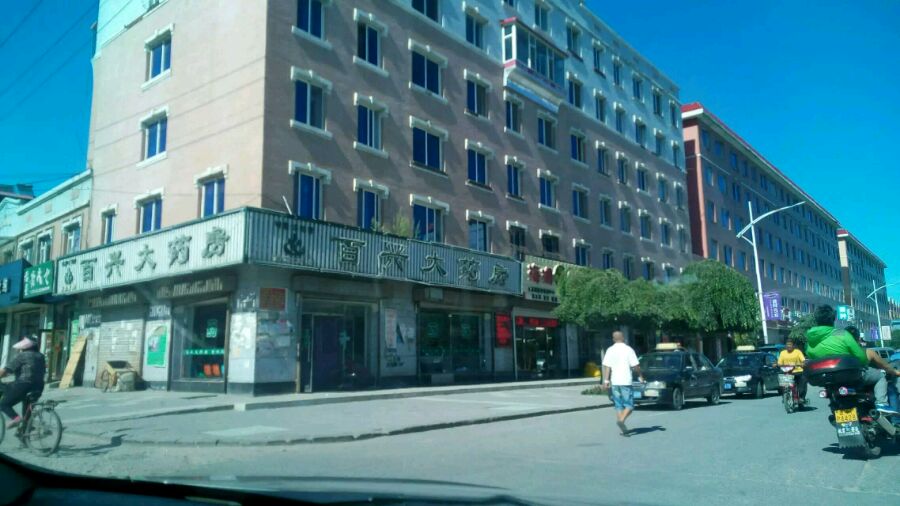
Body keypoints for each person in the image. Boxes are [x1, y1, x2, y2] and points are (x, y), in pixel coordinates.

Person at [805, 306, 898, 414]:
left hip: (826, 380)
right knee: (880, 376)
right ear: (833, 318)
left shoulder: (810, 339)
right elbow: (860, 356)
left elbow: (810, 356)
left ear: (816, 319)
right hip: (852, 376)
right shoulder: (841, 334)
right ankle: (881, 403)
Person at [845, 326, 900, 410]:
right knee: (882, 377)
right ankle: (882, 404)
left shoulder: (838, 351)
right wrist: (896, 372)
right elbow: (886, 367)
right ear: (859, 339)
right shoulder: (867, 352)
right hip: (860, 378)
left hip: (841, 381)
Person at [602, 331, 644, 437]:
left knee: (618, 405)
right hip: (625, 381)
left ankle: (623, 429)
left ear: (613, 339)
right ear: (623, 338)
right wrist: (640, 376)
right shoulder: (628, 349)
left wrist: (606, 381)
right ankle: (621, 421)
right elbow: (635, 365)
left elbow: (607, 367)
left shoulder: (610, 350)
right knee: (629, 405)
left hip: (615, 382)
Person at [0, 336, 46, 428]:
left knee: (3, 404)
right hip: (39, 386)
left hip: (24, 384)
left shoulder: (22, 356)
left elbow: (6, 370)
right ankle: (26, 429)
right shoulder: (41, 356)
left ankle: (16, 418)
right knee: (27, 409)